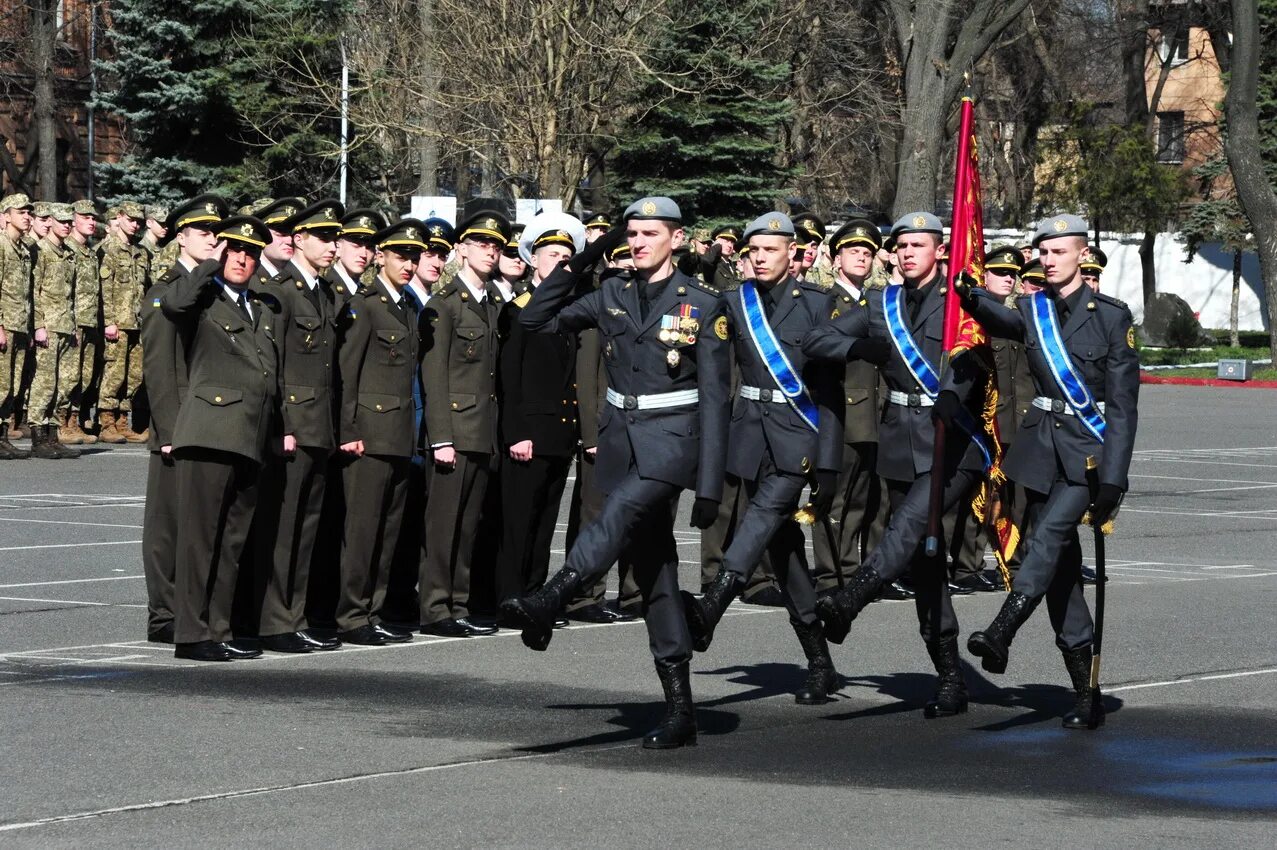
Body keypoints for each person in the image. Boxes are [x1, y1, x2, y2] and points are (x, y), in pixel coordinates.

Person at [500, 197, 730, 749]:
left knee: (619, 512)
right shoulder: (611, 293)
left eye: (650, 233)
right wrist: (584, 259)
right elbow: (534, 319)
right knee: (655, 572)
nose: (638, 241)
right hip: (622, 441)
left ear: (676, 239)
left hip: (673, 442)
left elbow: (717, 398)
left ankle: (554, 595)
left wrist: (711, 483)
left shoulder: (702, 303)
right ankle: (680, 709)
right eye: (631, 233)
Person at [802, 211, 990, 719]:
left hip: (955, 443)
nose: (908, 253)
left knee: (910, 526)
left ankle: (856, 593)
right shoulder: (882, 303)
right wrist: (858, 345)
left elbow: (975, 358)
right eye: (901, 246)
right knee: (924, 562)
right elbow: (816, 341)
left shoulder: (959, 302)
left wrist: (956, 393)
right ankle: (950, 677)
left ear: (939, 251)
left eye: (918, 245)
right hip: (902, 444)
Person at [956, 214, 1138, 730]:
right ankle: (1086, 692)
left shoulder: (1111, 317)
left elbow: (1124, 409)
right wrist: (970, 294)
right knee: (1060, 574)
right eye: (1044, 254)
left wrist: (1115, 479)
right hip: (1039, 453)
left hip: (1086, 455)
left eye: (1058, 252)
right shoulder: (1033, 310)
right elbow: (1001, 320)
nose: (1049, 261)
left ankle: (1002, 629)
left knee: (1048, 537)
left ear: (1082, 255)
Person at [681, 212, 843, 705]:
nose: (760, 258)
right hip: (751, 437)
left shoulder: (818, 304)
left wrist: (830, 463)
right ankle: (820, 663)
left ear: (792, 253)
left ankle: (714, 603)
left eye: (770, 250)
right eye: (754, 251)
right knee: (784, 551)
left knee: (763, 515)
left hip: (799, 439)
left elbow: (831, 391)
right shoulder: (734, 301)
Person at [162, 216, 283, 662]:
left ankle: (219, 628)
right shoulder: (204, 297)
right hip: (210, 433)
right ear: (222, 252)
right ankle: (191, 634)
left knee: (232, 541)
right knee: (200, 540)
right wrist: (206, 266)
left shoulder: (260, 308)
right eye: (235, 250)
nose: (243, 259)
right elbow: (174, 307)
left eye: (251, 253)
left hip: (249, 436)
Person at [251, 200, 347, 652]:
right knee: (285, 528)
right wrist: (284, 424)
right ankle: (275, 621)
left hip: (320, 424)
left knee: (306, 529)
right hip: (295, 424)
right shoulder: (282, 290)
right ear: (301, 239)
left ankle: (295, 614)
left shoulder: (322, 292)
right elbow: (278, 365)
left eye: (335, 238)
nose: (332, 246)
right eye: (323, 238)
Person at [333, 219, 428, 646]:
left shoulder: (407, 306)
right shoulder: (365, 304)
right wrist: (349, 428)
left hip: (400, 434)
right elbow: (347, 373)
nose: (409, 264)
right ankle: (352, 615)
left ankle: (373, 610)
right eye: (401, 256)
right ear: (381, 256)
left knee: (388, 533)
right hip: (369, 435)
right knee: (363, 531)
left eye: (414, 257)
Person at [139, 195, 228, 643]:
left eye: (216, 231)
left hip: (206, 422)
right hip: (177, 428)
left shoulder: (209, 288)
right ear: (181, 237)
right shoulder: (164, 292)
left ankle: (188, 609)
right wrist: (171, 430)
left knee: (197, 525)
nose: (213, 238)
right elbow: (160, 370)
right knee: (167, 526)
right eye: (202, 231)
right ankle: (163, 615)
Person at [419, 211, 510, 637]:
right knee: (443, 526)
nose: (491, 251)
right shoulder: (445, 304)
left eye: (497, 246)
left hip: (482, 432)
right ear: (463, 249)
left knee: (467, 526)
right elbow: (434, 377)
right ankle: (436, 608)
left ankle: (457, 602)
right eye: (482, 244)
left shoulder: (494, 303)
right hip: (453, 431)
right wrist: (441, 437)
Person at [494, 216, 584, 612]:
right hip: (528, 433)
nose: (562, 263)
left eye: (568, 257)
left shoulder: (568, 311)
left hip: (559, 433)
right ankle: (509, 595)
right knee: (517, 520)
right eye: (553, 256)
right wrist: (517, 432)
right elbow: (509, 378)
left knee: (547, 518)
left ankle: (533, 593)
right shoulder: (519, 311)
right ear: (533, 261)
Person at [563, 239, 643, 623]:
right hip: (605, 433)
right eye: (621, 269)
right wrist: (592, 437)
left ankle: (633, 593)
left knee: (636, 517)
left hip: (640, 433)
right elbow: (588, 379)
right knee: (594, 518)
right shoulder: (600, 313)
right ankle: (584, 596)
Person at [813, 219, 888, 595]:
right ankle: (829, 575)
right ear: (836, 258)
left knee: (861, 499)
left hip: (873, 412)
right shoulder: (827, 302)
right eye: (853, 251)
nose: (861, 257)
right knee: (835, 499)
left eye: (868, 252)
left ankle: (851, 568)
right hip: (841, 410)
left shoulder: (876, 301)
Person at [26, 204, 81, 459]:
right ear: (50, 222)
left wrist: (75, 326)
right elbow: (34, 292)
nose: (66, 226)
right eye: (62, 221)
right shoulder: (41, 251)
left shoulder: (67, 252)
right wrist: (38, 325)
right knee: (45, 383)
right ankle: (38, 436)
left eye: (69, 222)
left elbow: (72, 294)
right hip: (48, 326)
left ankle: (53, 433)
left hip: (66, 325)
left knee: (65, 383)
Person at [97, 201, 150, 443]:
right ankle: (106, 422)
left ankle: (122, 421)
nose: (135, 224)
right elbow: (104, 289)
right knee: (114, 373)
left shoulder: (140, 252)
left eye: (139, 220)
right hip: (117, 322)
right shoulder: (107, 250)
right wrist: (109, 321)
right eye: (131, 219)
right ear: (119, 217)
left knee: (134, 375)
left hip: (136, 323)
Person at [65, 199, 103, 445]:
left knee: (85, 375)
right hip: (73, 322)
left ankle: (76, 420)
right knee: (69, 375)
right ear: (73, 220)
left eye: (93, 218)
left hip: (90, 321)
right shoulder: (67, 249)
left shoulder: (90, 252)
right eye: (86, 217)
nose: (91, 221)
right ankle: (63, 421)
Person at [0, 194, 35, 459]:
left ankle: (2, 436)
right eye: (21, 212)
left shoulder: (22, 249)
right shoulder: (1, 245)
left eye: (28, 212)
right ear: (6, 215)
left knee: (11, 383)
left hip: (19, 324)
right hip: (5, 324)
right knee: (0, 383)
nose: (27, 216)